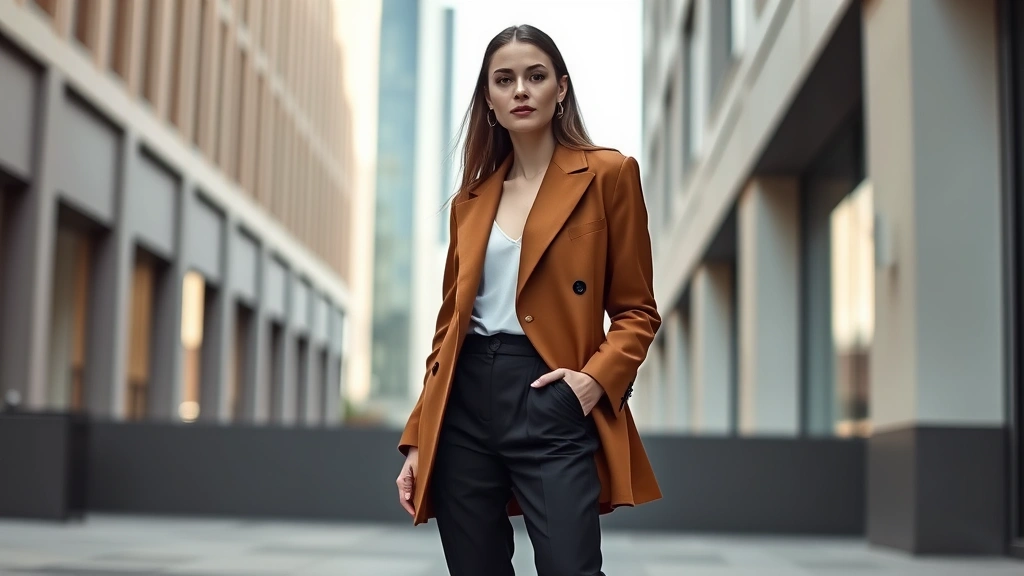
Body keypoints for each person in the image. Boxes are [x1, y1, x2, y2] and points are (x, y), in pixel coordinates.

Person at [395, 24, 662, 576]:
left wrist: (592, 383)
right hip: (464, 401)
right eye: (504, 79)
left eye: (535, 76)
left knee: (571, 567)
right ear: (488, 99)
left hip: (549, 393)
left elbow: (637, 310)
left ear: (560, 89)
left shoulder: (608, 175)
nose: (520, 89)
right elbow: (448, 330)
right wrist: (419, 437)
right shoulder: (470, 202)